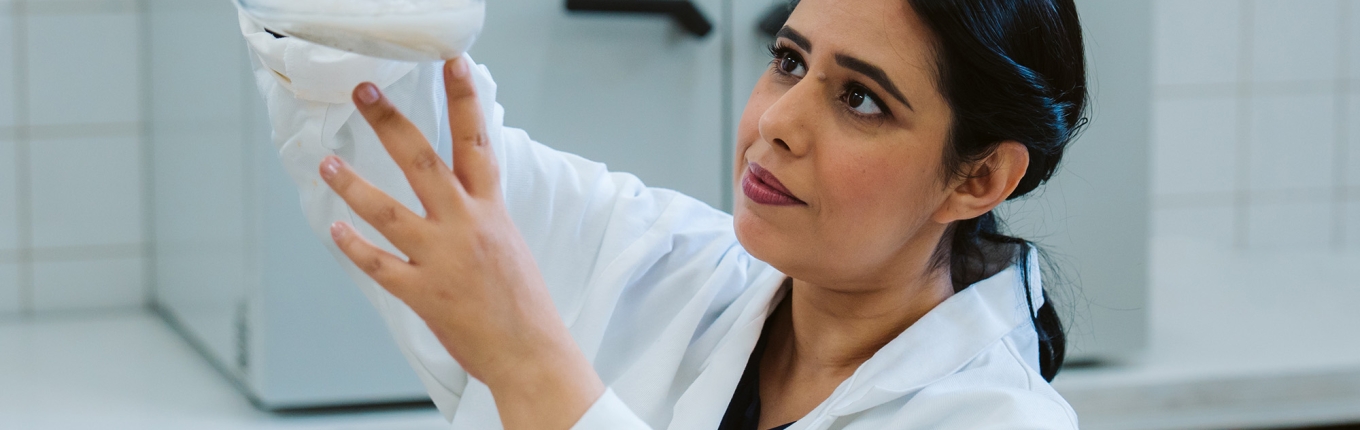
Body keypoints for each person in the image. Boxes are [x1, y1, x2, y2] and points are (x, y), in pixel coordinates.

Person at [239, 0, 1086, 428]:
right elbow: (369, 90)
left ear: (976, 180)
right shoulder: (669, 265)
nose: (778, 124)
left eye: (861, 100)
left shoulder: (993, 422)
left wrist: (529, 363)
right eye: (789, 62)